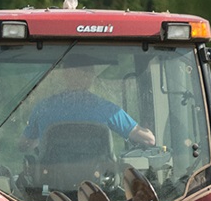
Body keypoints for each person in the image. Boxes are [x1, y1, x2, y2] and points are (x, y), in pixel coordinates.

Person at [18, 56, 156, 151]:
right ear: (90, 75)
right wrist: (147, 130)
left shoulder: (43, 108)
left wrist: (42, 141)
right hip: (97, 188)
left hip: (50, 185)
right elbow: (149, 140)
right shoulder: (107, 110)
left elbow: (24, 146)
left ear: (64, 74)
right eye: (89, 72)